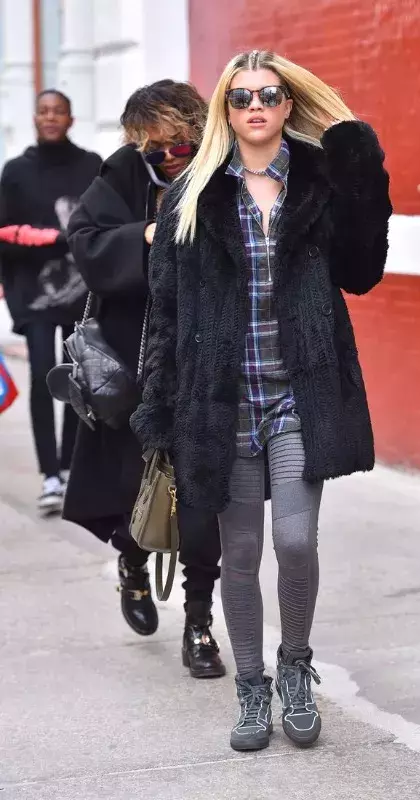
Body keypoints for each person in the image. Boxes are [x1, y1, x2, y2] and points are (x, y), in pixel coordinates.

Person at [132, 50, 392, 750]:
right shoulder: (191, 193)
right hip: (222, 403)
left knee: (296, 541)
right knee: (240, 552)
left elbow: (362, 272)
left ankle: (295, 667)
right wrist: (158, 410)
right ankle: (252, 687)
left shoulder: (320, 186)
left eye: (269, 95)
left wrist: (362, 166)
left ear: (287, 106)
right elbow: (165, 313)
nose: (256, 106)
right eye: (242, 95)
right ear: (226, 106)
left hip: (297, 396)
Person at [63, 80, 226, 679]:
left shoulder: (221, 169)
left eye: (179, 144)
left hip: (208, 362)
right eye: (154, 147)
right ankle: (132, 563)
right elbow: (86, 242)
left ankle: (199, 624)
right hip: (135, 364)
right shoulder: (124, 174)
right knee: (138, 488)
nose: (168, 157)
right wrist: (145, 236)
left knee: (204, 501)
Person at [0, 90, 101, 513]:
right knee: (43, 376)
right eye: (43, 111)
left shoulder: (91, 166)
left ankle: (70, 466)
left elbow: (103, 225)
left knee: (78, 380)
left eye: (58, 111)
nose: (50, 117)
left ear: (71, 118)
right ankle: (50, 476)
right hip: (32, 294)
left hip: (82, 293)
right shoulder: (16, 170)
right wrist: (49, 240)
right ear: (35, 118)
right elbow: (2, 229)